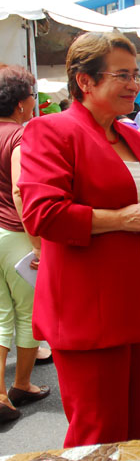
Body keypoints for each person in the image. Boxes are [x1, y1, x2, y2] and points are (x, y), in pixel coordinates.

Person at [19, 32, 140, 446]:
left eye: (136, 74)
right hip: (91, 306)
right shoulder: (50, 131)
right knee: (99, 433)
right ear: (85, 81)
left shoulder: (133, 137)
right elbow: (42, 213)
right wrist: (118, 219)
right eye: (123, 75)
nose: (135, 84)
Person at [0, 65, 49, 424]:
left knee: (0, 314)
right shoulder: (19, 136)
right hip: (16, 234)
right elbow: (21, 189)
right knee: (28, 313)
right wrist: (37, 243)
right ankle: (21, 384)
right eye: (32, 97)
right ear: (20, 103)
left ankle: (0, 393)